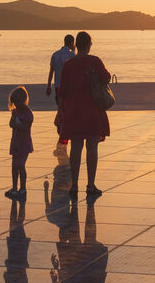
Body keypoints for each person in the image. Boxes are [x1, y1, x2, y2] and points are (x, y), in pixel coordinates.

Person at [56, 32, 111, 201]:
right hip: (93, 110)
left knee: (76, 148)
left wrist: (61, 111)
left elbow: (62, 91)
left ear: (76, 45)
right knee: (92, 148)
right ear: (89, 45)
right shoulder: (95, 61)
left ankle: (74, 185)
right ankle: (90, 185)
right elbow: (106, 78)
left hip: (74, 111)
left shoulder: (68, 65)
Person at [47, 34, 76, 146]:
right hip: (68, 87)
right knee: (67, 110)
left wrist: (48, 85)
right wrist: (74, 51)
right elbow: (76, 67)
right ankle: (64, 134)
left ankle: (61, 132)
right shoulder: (71, 54)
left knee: (60, 109)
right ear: (72, 43)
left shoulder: (55, 55)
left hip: (57, 87)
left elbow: (51, 72)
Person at [7, 86, 33, 200]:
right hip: (15, 141)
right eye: (14, 103)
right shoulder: (15, 112)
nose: (16, 105)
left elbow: (25, 127)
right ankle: (14, 187)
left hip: (24, 143)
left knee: (21, 166)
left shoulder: (28, 114)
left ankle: (23, 188)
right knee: (14, 166)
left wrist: (17, 124)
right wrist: (14, 117)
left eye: (17, 102)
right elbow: (11, 124)